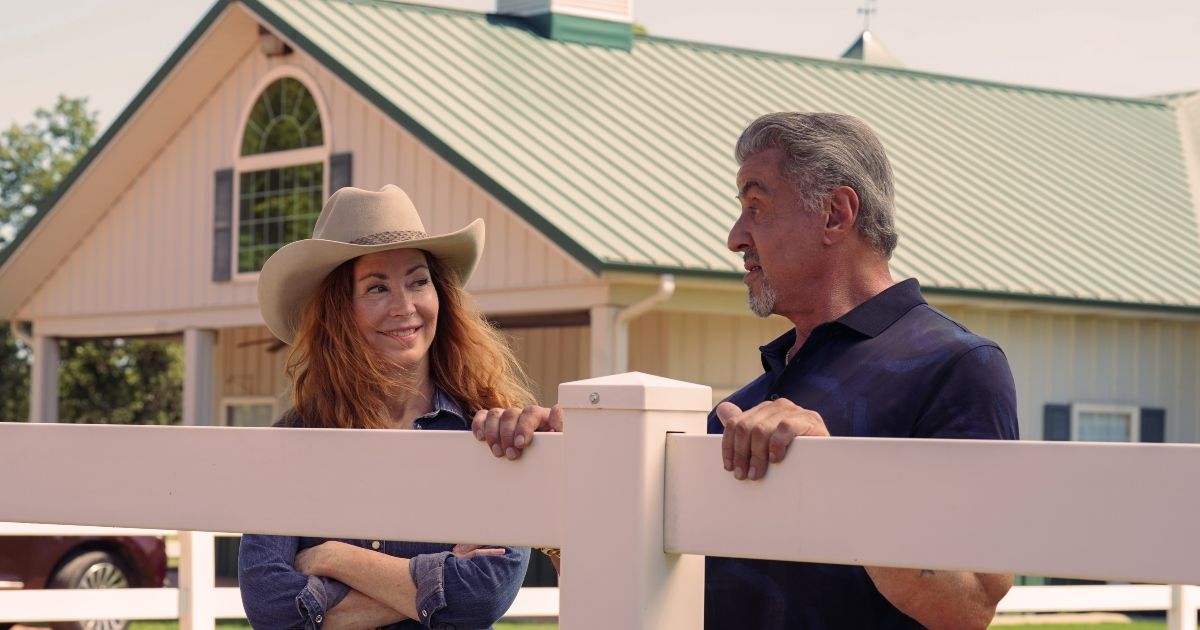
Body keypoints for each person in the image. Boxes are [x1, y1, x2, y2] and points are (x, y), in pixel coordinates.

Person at [474, 112, 1020, 629]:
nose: (735, 237)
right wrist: (570, 477)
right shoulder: (748, 401)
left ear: (836, 214)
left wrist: (834, 473)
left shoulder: (957, 366)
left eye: (756, 206)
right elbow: (638, 586)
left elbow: (970, 606)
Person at [239, 185, 533, 630]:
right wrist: (438, 580)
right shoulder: (294, 441)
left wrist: (335, 559)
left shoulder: (487, 429)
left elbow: (485, 593)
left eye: (418, 281)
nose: (405, 306)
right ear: (338, 312)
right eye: (377, 287)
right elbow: (273, 610)